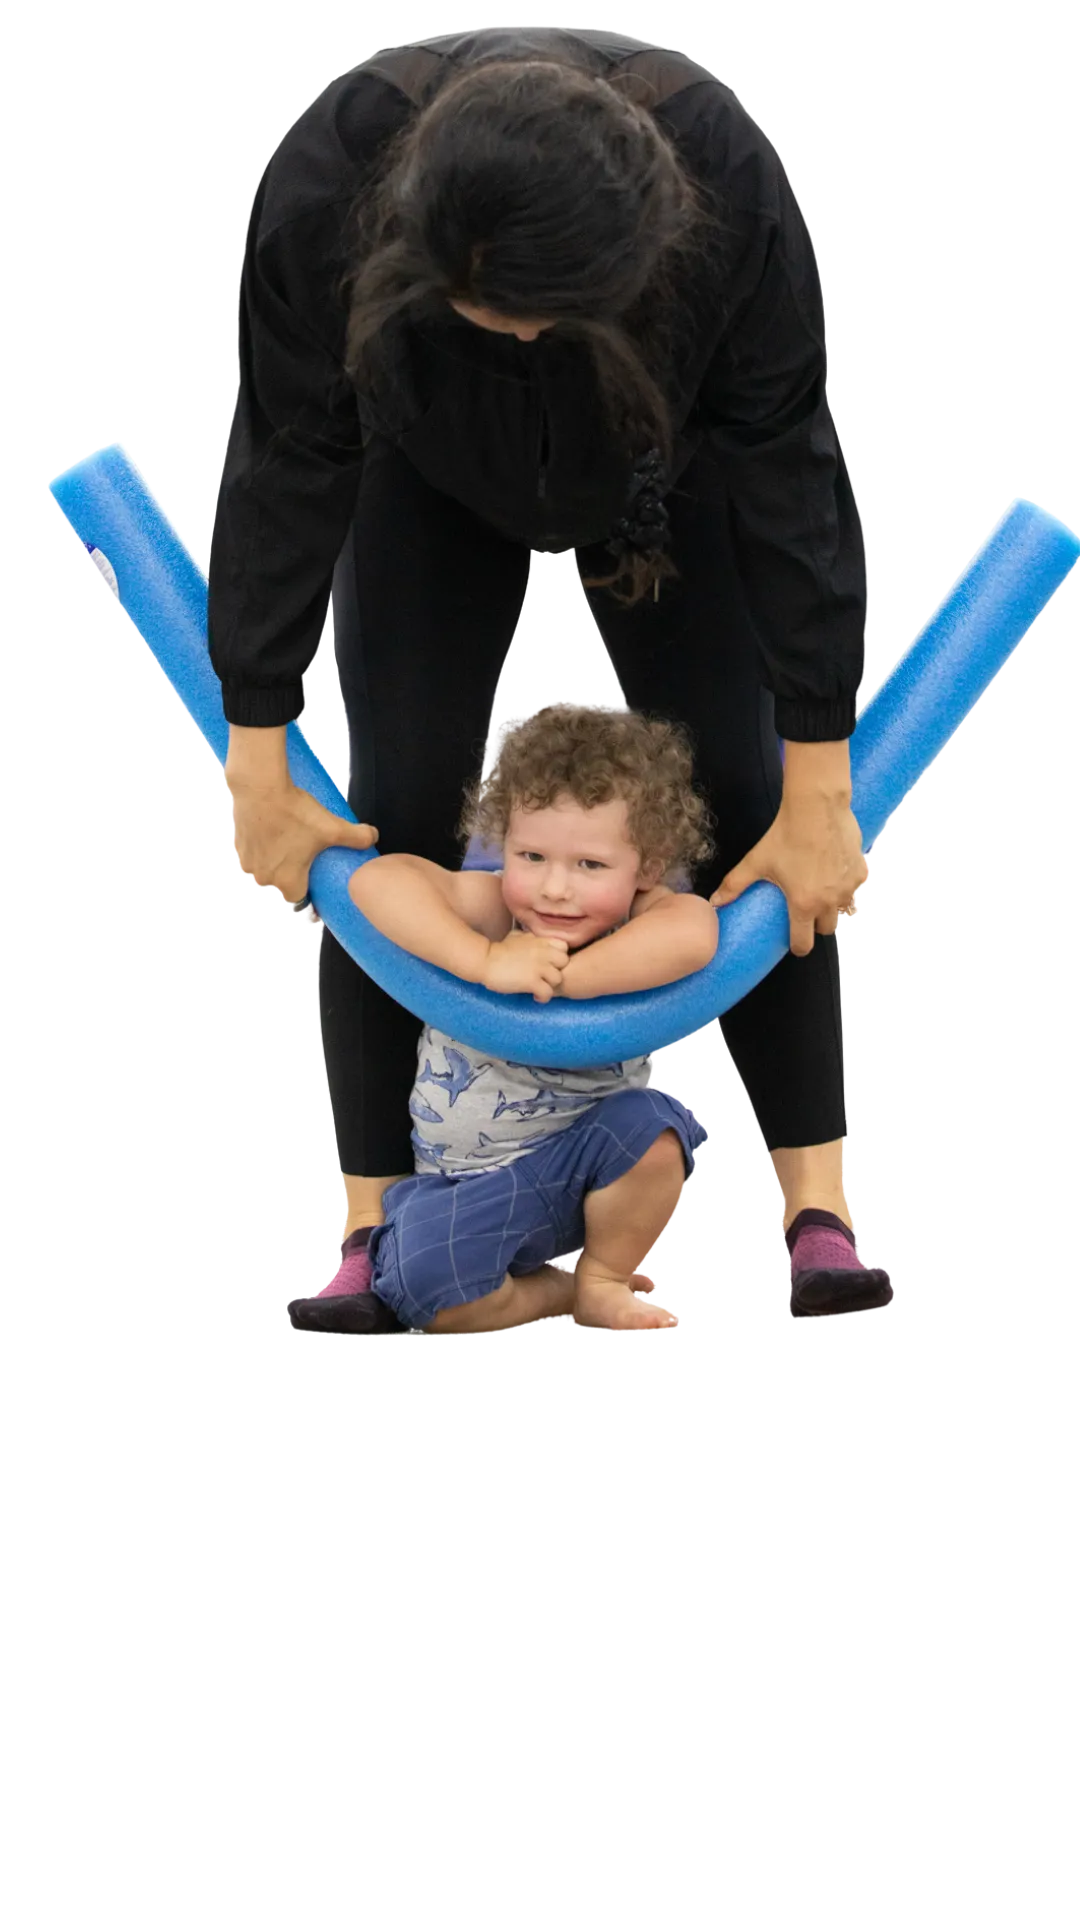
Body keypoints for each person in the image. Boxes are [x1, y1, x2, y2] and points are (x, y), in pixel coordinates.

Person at [212, 29, 897, 1331]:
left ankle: (819, 1211)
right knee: (384, 814)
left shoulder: (729, 185)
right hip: (420, 461)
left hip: (664, 455)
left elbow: (794, 477)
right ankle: (372, 1226)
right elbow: (283, 461)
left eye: (541, 317)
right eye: (495, 316)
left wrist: (822, 786)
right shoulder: (325, 182)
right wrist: (256, 751)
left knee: (751, 808)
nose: (521, 338)